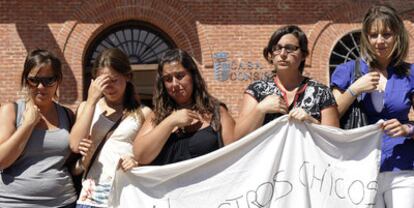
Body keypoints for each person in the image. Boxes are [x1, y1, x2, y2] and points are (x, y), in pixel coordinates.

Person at [331, 4, 414, 208]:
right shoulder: (348, 71)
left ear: (397, 36)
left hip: (402, 165)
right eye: (373, 34)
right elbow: (330, 118)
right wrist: (354, 89)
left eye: (387, 34)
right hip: (359, 166)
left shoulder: (410, 73)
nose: (380, 41)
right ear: (366, 37)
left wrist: (407, 129)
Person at [69, 48, 151, 208]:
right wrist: (92, 100)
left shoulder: (144, 113)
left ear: (128, 76)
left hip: (127, 195)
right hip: (91, 197)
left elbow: (149, 155)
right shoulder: (87, 107)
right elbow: (74, 145)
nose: (109, 87)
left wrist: (137, 161)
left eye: (114, 80)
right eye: (103, 82)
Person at [0, 49, 77, 207]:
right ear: (26, 80)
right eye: (34, 80)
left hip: (63, 202)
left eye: (49, 80)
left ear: (58, 80)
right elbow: (2, 161)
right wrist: (28, 124)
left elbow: (72, 163)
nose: (41, 86)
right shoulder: (11, 110)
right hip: (15, 203)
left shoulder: (67, 115)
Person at [133, 49, 235, 165]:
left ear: (193, 76)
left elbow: (234, 156)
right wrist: (170, 121)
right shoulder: (157, 116)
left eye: (180, 76)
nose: (175, 84)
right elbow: (139, 156)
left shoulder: (217, 112)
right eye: (168, 79)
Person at [235, 25, 339, 139]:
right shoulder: (257, 90)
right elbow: (237, 140)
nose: (283, 54)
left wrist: (312, 122)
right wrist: (260, 110)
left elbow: (335, 141)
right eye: (277, 48)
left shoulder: (321, 92)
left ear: (303, 55)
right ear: (270, 55)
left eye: (290, 48)